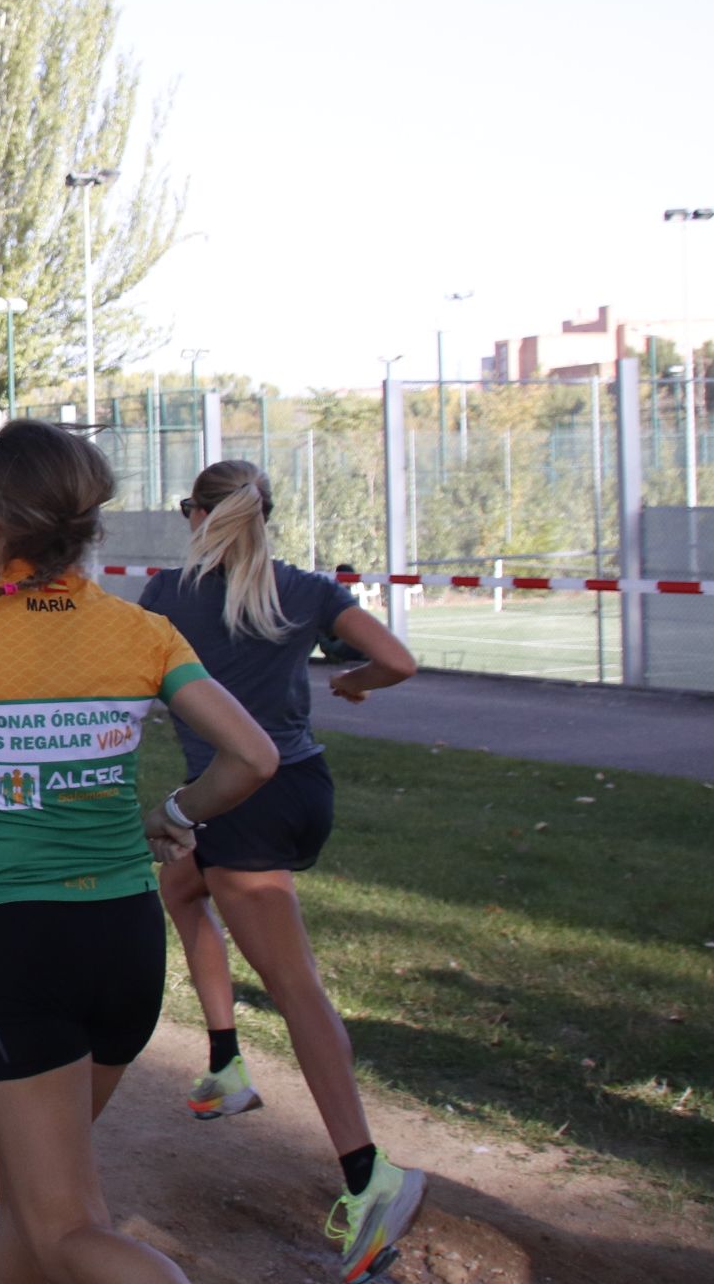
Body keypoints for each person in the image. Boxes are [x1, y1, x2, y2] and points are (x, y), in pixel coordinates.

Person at [0, 419, 280, 1284]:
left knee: (64, 1220)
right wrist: (175, 809)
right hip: (125, 942)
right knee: (36, 1197)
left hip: (17, 944)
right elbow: (254, 758)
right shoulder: (142, 633)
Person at [140, 462, 426, 1281]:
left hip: (241, 797)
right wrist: (358, 684)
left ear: (197, 512)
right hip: (298, 784)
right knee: (180, 884)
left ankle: (370, 1176)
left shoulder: (168, 592)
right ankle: (226, 1063)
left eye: (186, 509)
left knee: (295, 984)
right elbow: (397, 661)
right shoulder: (303, 588)